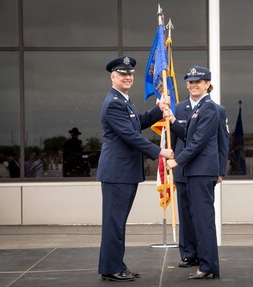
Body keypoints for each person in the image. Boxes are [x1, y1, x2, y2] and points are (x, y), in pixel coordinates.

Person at [96, 56, 174, 282]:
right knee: (114, 223)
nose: (128, 77)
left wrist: (158, 109)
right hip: (117, 173)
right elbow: (130, 136)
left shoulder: (123, 100)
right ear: (113, 77)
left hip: (124, 172)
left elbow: (137, 123)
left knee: (118, 222)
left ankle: (116, 265)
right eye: (122, 74)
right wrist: (160, 152)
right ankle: (111, 268)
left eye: (130, 74)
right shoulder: (113, 102)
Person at [166, 66, 222, 280]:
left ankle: (208, 267)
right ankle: (207, 265)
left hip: (201, 172)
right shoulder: (200, 108)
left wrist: (176, 161)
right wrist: (172, 120)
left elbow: (198, 142)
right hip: (195, 171)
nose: (193, 85)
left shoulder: (209, 108)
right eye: (190, 82)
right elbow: (189, 135)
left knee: (203, 220)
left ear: (208, 84)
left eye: (198, 81)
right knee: (198, 219)